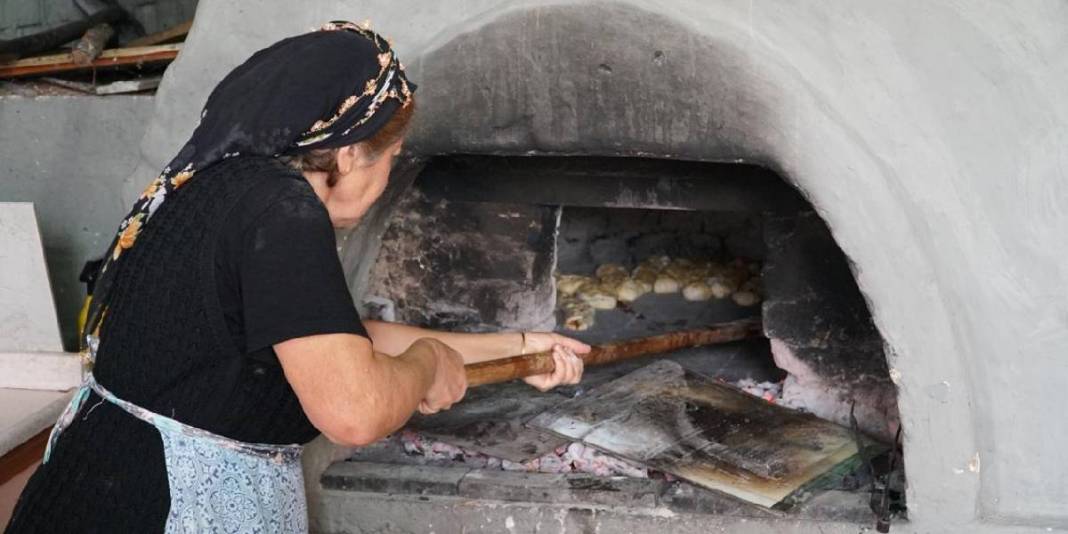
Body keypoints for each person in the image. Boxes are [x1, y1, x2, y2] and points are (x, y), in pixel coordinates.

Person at [5, 21, 587, 533]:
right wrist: (428, 363)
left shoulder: (220, 188)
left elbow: (335, 340)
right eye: (393, 157)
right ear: (351, 152)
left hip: (101, 484)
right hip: (162, 504)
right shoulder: (279, 210)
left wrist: (519, 347)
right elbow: (354, 409)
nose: (388, 175)